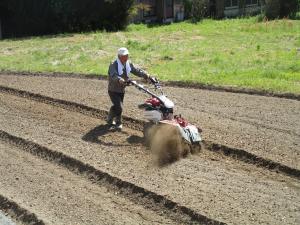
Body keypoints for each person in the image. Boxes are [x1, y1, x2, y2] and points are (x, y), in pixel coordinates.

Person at [107, 47, 153, 130]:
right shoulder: (113, 64)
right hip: (113, 89)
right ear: (119, 56)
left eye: (127, 55)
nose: (126, 57)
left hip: (121, 89)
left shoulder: (128, 63)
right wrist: (120, 79)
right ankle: (118, 123)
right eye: (124, 56)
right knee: (119, 107)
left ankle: (109, 118)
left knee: (117, 105)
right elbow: (113, 75)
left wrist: (147, 75)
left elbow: (136, 70)